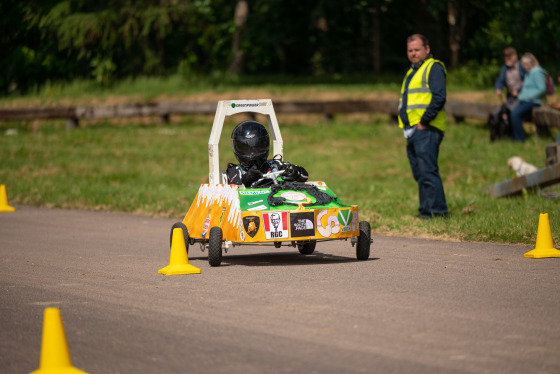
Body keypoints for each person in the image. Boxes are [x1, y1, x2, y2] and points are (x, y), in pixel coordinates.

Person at [398, 34, 448, 219]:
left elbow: (439, 97)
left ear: (427, 49)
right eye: (410, 50)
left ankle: (438, 212)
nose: (413, 53)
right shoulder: (412, 71)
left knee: (428, 170)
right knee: (420, 172)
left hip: (427, 129)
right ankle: (427, 209)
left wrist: (423, 122)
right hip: (412, 131)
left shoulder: (433, 68)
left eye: (417, 49)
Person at [225, 120, 308, 187]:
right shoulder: (235, 171)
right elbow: (233, 191)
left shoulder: (274, 165)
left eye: (257, 148)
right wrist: (247, 179)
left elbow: (304, 175)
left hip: (278, 204)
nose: (253, 154)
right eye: (247, 149)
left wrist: (294, 172)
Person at [510, 53, 547, 142]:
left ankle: (519, 139)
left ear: (532, 63)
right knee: (512, 113)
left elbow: (542, 89)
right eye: (523, 64)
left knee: (515, 115)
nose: (525, 66)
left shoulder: (537, 72)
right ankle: (516, 137)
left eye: (527, 64)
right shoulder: (529, 73)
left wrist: (529, 96)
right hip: (525, 100)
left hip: (533, 101)